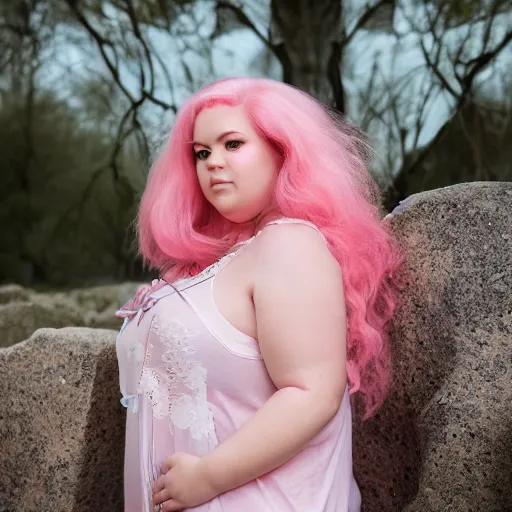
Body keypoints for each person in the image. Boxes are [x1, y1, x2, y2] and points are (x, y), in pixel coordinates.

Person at [115, 77, 402, 512]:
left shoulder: (291, 244)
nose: (213, 163)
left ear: (282, 149)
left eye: (233, 144)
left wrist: (209, 476)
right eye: (202, 152)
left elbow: (313, 393)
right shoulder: (231, 260)